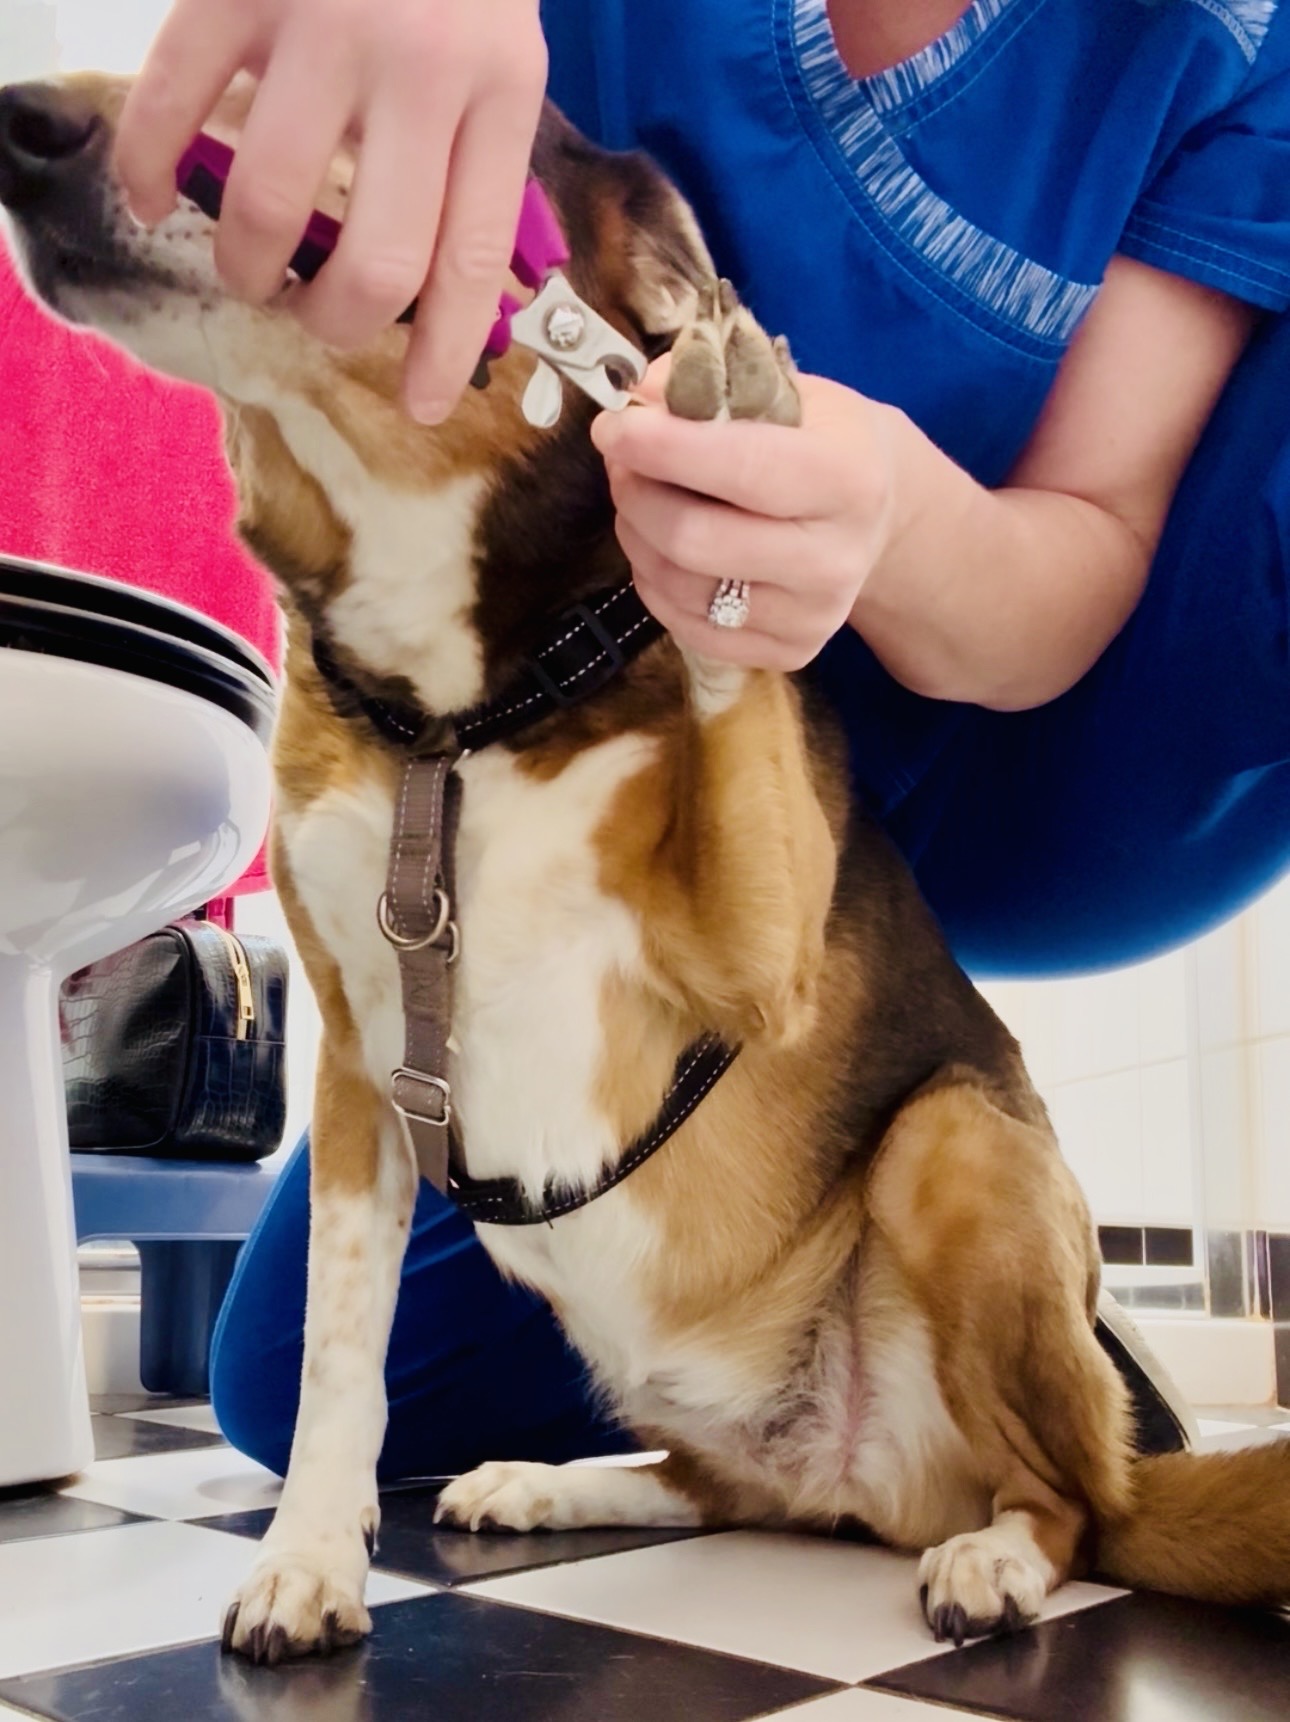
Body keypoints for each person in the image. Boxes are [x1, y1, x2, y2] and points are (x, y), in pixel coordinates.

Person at [114, 0, 1289, 1476]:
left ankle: (1001, 1291)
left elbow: (1091, 533)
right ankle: (936, 1325)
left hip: (1056, 756)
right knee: (288, 1384)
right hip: (620, 720)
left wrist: (891, 512)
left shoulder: (1234, 44)